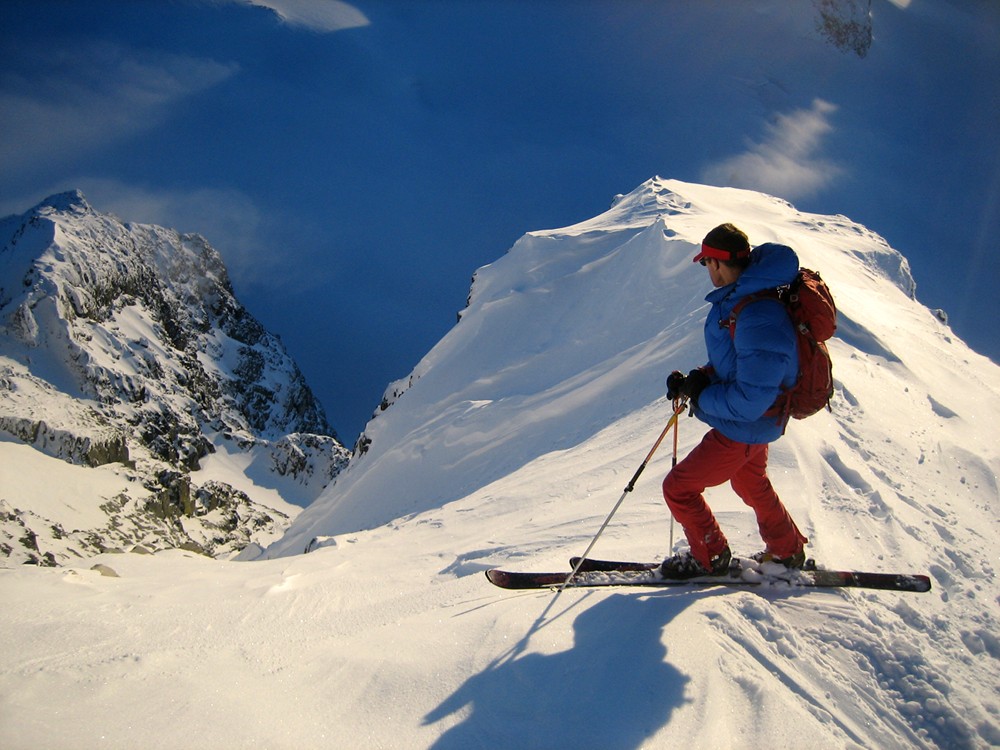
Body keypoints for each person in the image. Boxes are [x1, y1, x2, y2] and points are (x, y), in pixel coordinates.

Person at [660, 223, 808, 578]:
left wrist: (702, 396)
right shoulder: (743, 300)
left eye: (706, 263)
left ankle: (710, 557)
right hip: (756, 424)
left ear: (718, 263)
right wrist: (699, 378)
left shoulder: (758, 315)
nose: (706, 271)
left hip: (746, 425)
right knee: (749, 481)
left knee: (678, 488)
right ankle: (787, 551)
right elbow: (741, 364)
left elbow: (749, 399)